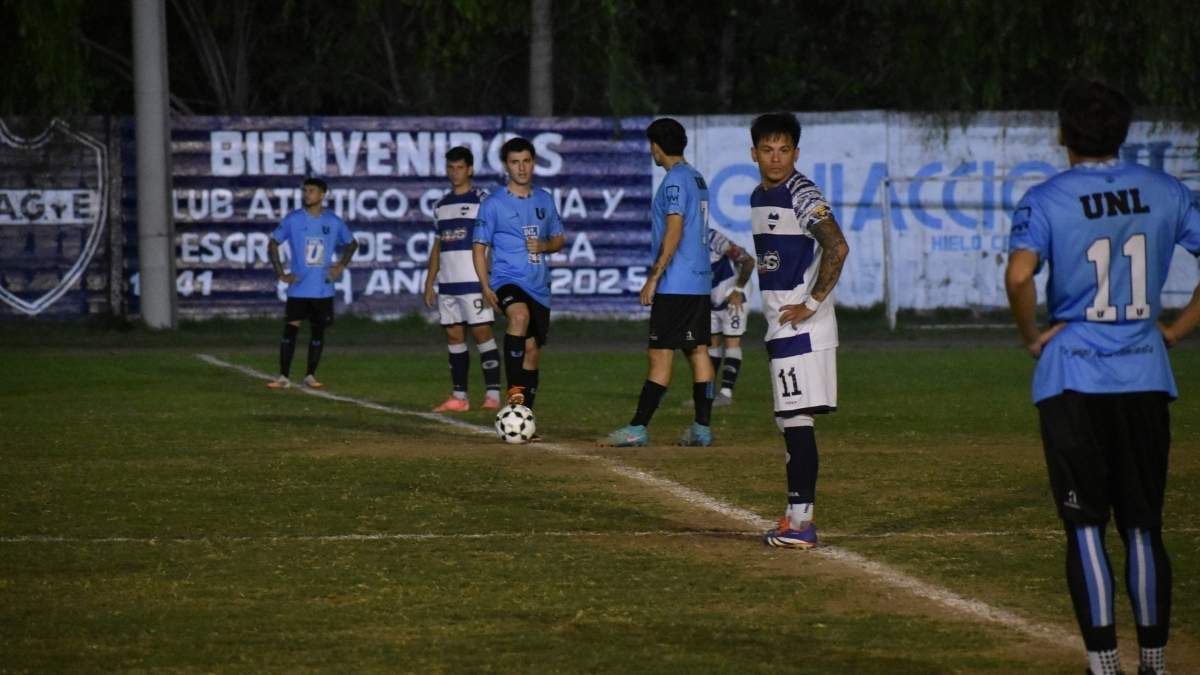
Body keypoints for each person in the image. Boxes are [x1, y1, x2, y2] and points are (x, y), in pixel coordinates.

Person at [1005, 80, 1200, 675]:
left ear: (1063, 134)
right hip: (1144, 372)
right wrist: (1176, 329)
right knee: (1143, 525)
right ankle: (1155, 663)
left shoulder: (1047, 199)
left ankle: (1104, 665)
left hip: (1074, 380)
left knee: (1086, 524)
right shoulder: (1168, 191)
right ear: (1124, 132)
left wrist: (1033, 335)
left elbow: (1019, 276)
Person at [750, 113, 849, 550]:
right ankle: (795, 516)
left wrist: (810, 303)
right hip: (783, 324)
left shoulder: (801, 192)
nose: (776, 158)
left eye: (784, 149)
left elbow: (837, 245)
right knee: (788, 419)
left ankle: (801, 522)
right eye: (768, 150)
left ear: (796, 153)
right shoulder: (760, 194)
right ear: (754, 153)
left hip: (801, 328)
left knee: (796, 421)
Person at [602, 117, 717, 447]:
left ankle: (638, 427)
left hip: (677, 283)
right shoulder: (696, 178)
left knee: (660, 355)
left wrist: (654, 278)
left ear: (656, 146)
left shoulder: (675, 182)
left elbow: (675, 230)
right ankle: (701, 428)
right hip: (699, 282)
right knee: (698, 352)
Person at [472, 137, 565, 413]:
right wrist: (485, 286)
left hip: (539, 285)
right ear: (506, 166)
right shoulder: (493, 203)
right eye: (515, 162)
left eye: (526, 161)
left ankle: (523, 415)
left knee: (532, 353)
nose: (521, 168)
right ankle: (512, 395)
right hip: (506, 280)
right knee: (519, 316)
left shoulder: (544, 200)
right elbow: (479, 248)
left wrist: (545, 245)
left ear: (533, 163)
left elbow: (559, 239)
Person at [424, 146, 502, 412]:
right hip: (448, 283)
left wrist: (489, 279)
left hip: (474, 281)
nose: (455, 172)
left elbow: (493, 238)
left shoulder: (483, 200)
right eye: (451, 167)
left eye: (460, 167)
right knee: (454, 337)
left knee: (482, 333)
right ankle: (459, 397)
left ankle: (493, 394)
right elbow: (438, 246)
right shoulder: (441, 205)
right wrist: (429, 281)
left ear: (470, 169)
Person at [266, 177, 358, 389]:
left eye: (311, 191)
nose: (307, 194)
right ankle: (283, 376)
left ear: (322, 194)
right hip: (298, 288)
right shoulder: (293, 219)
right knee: (291, 330)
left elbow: (352, 243)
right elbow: (273, 243)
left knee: (318, 331)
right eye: (305, 191)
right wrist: (281, 273)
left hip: (323, 288)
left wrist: (341, 265)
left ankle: (310, 375)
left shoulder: (333, 222)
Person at [706, 225, 756, 407]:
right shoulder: (681, 242)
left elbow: (749, 261)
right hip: (711, 299)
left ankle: (726, 393)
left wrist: (738, 289)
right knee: (711, 342)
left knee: (731, 341)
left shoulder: (713, 238)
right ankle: (708, 394)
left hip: (733, 297)